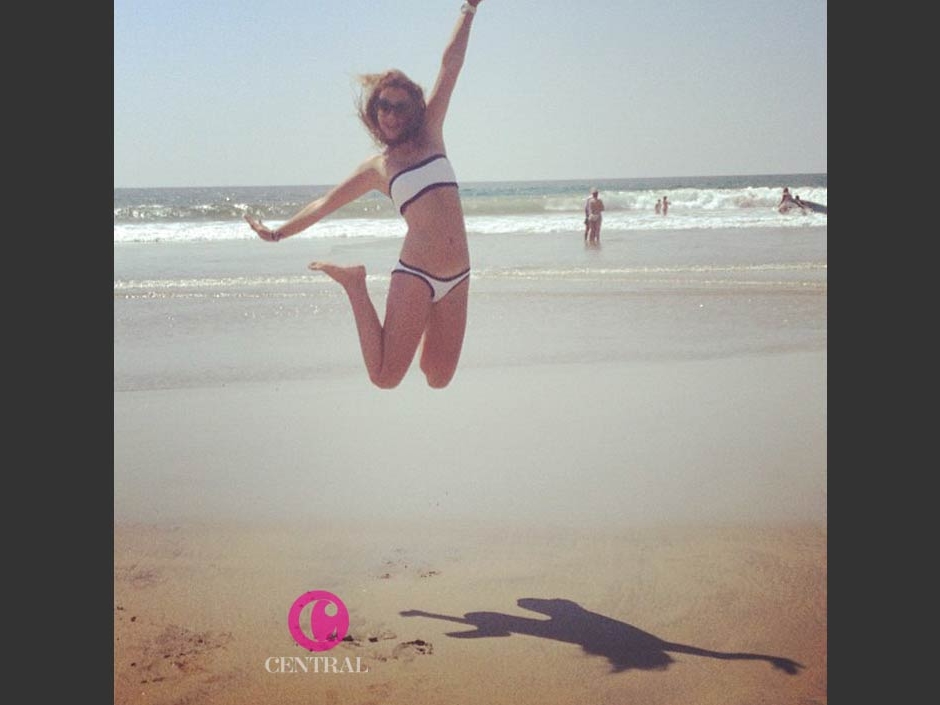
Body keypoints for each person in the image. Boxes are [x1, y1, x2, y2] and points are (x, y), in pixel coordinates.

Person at [244, 2, 484, 390]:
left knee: (437, 377)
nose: (391, 114)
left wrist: (469, 9)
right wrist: (277, 233)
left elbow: (450, 65)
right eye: (383, 106)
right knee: (385, 377)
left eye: (399, 106)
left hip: (458, 274)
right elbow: (324, 204)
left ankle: (419, 316)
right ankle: (355, 285)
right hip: (417, 273)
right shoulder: (378, 168)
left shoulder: (431, 134)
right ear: (374, 112)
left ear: (414, 109)